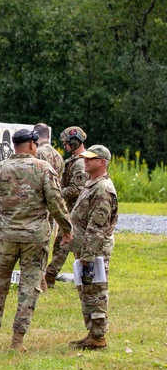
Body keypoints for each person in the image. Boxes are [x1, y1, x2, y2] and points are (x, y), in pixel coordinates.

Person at [0, 129, 70, 352]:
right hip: (35, 239)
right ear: (31, 145)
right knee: (29, 288)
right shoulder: (43, 169)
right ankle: (17, 341)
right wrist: (67, 228)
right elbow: (56, 203)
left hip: (6, 238)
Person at [66, 145, 117, 349]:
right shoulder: (92, 183)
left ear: (102, 162)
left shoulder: (103, 189)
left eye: (90, 159)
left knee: (95, 290)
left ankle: (98, 336)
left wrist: (87, 256)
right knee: (87, 291)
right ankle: (92, 333)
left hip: (94, 250)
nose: (85, 161)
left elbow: (97, 227)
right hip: (85, 247)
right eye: (85, 158)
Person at [45, 126, 89, 286]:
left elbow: (77, 188)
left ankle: (49, 276)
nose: (64, 146)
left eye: (66, 143)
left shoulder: (80, 163)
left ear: (75, 142)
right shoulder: (74, 161)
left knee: (64, 244)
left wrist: (57, 194)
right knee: (66, 245)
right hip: (70, 209)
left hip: (76, 211)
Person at [33, 123, 63, 293]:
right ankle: (42, 275)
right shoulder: (57, 155)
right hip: (52, 201)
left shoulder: (38, 154)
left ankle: (39, 278)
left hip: (38, 203)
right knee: (46, 240)